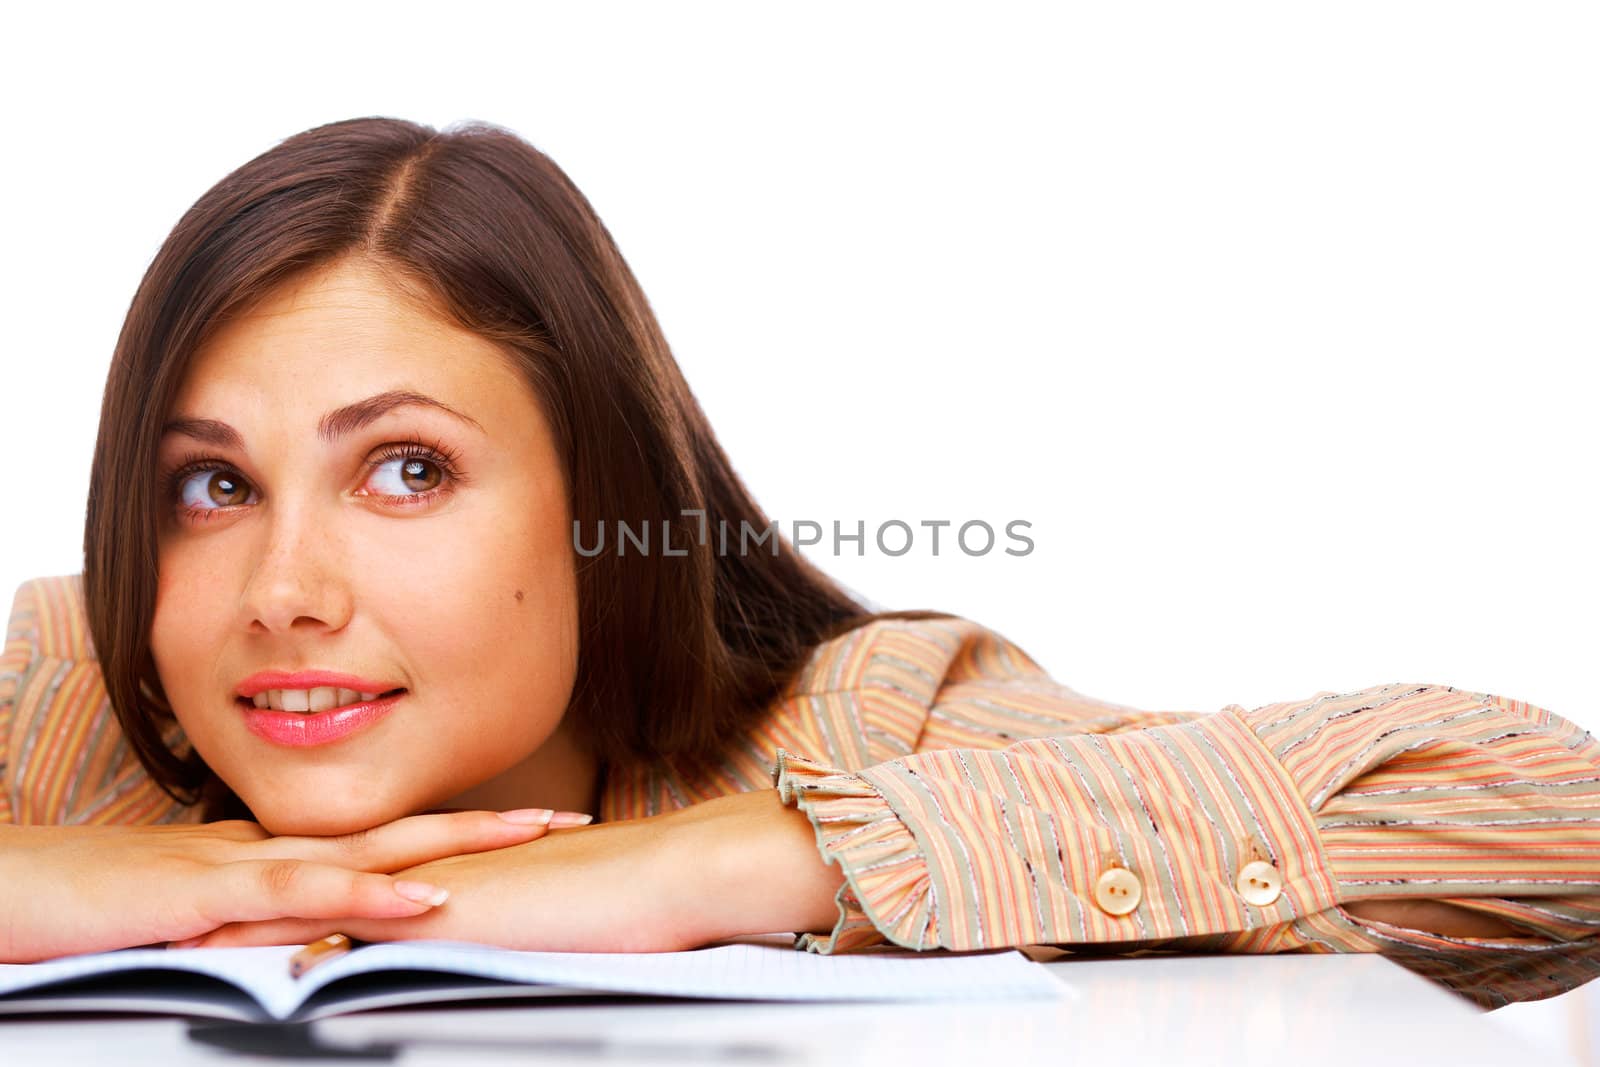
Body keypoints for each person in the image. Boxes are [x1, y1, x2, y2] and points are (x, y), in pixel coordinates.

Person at [0, 117, 1594, 1011]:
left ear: (598, 497)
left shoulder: (863, 729)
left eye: (406, 470)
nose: (282, 588)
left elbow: (1554, 821)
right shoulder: (67, 694)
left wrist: (745, 867)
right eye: (211, 485)